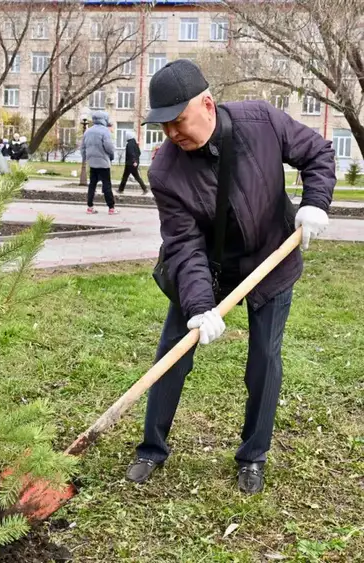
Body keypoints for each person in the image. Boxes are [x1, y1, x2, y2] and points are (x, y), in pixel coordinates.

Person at [126, 59, 334, 494]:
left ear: (206, 103)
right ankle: (151, 448)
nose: (172, 135)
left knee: (264, 360)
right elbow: (184, 245)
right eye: (162, 127)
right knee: (172, 354)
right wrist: (200, 306)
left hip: (270, 259)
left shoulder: (261, 121)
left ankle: (253, 456)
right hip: (209, 266)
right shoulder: (165, 171)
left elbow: (316, 152)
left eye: (178, 121)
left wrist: (315, 202)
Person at [81, 111, 117, 215]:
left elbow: (83, 147)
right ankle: (111, 208)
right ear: (104, 119)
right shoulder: (105, 131)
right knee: (106, 185)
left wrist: (86, 158)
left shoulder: (88, 131)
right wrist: (111, 157)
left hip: (92, 162)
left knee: (92, 184)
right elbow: (109, 147)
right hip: (103, 163)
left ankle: (90, 207)